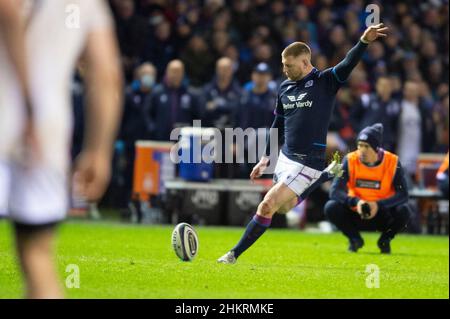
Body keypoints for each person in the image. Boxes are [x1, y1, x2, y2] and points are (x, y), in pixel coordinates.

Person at [218, 23, 389, 264]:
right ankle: (326, 175)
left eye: (288, 65)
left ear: (305, 63)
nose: (284, 69)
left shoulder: (325, 81)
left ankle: (232, 255)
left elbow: (348, 63)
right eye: (283, 64)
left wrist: (363, 41)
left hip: (308, 161)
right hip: (286, 157)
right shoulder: (284, 87)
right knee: (285, 208)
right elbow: (277, 123)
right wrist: (267, 157)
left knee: (267, 205)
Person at [0, 0, 122, 298]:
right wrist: (98, 151)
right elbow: (106, 74)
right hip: (48, 131)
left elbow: (8, 11)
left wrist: (27, 103)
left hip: (13, 116)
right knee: (37, 254)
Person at [325, 124, 411, 254]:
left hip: (382, 213)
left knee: (404, 210)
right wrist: (355, 202)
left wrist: (378, 205)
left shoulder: (393, 161)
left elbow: (403, 194)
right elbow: (334, 191)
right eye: (359, 145)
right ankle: (355, 239)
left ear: (376, 148)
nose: (361, 150)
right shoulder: (348, 159)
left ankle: (385, 240)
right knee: (331, 206)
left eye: (366, 146)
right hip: (356, 211)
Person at [148, 59, 200, 141]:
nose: (175, 75)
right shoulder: (156, 92)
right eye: (173, 71)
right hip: (160, 139)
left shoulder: (191, 94)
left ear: (183, 73)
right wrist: (153, 129)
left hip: (184, 140)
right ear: (167, 72)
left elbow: (198, 116)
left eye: (178, 71)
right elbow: (147, 113)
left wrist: (194, 133)